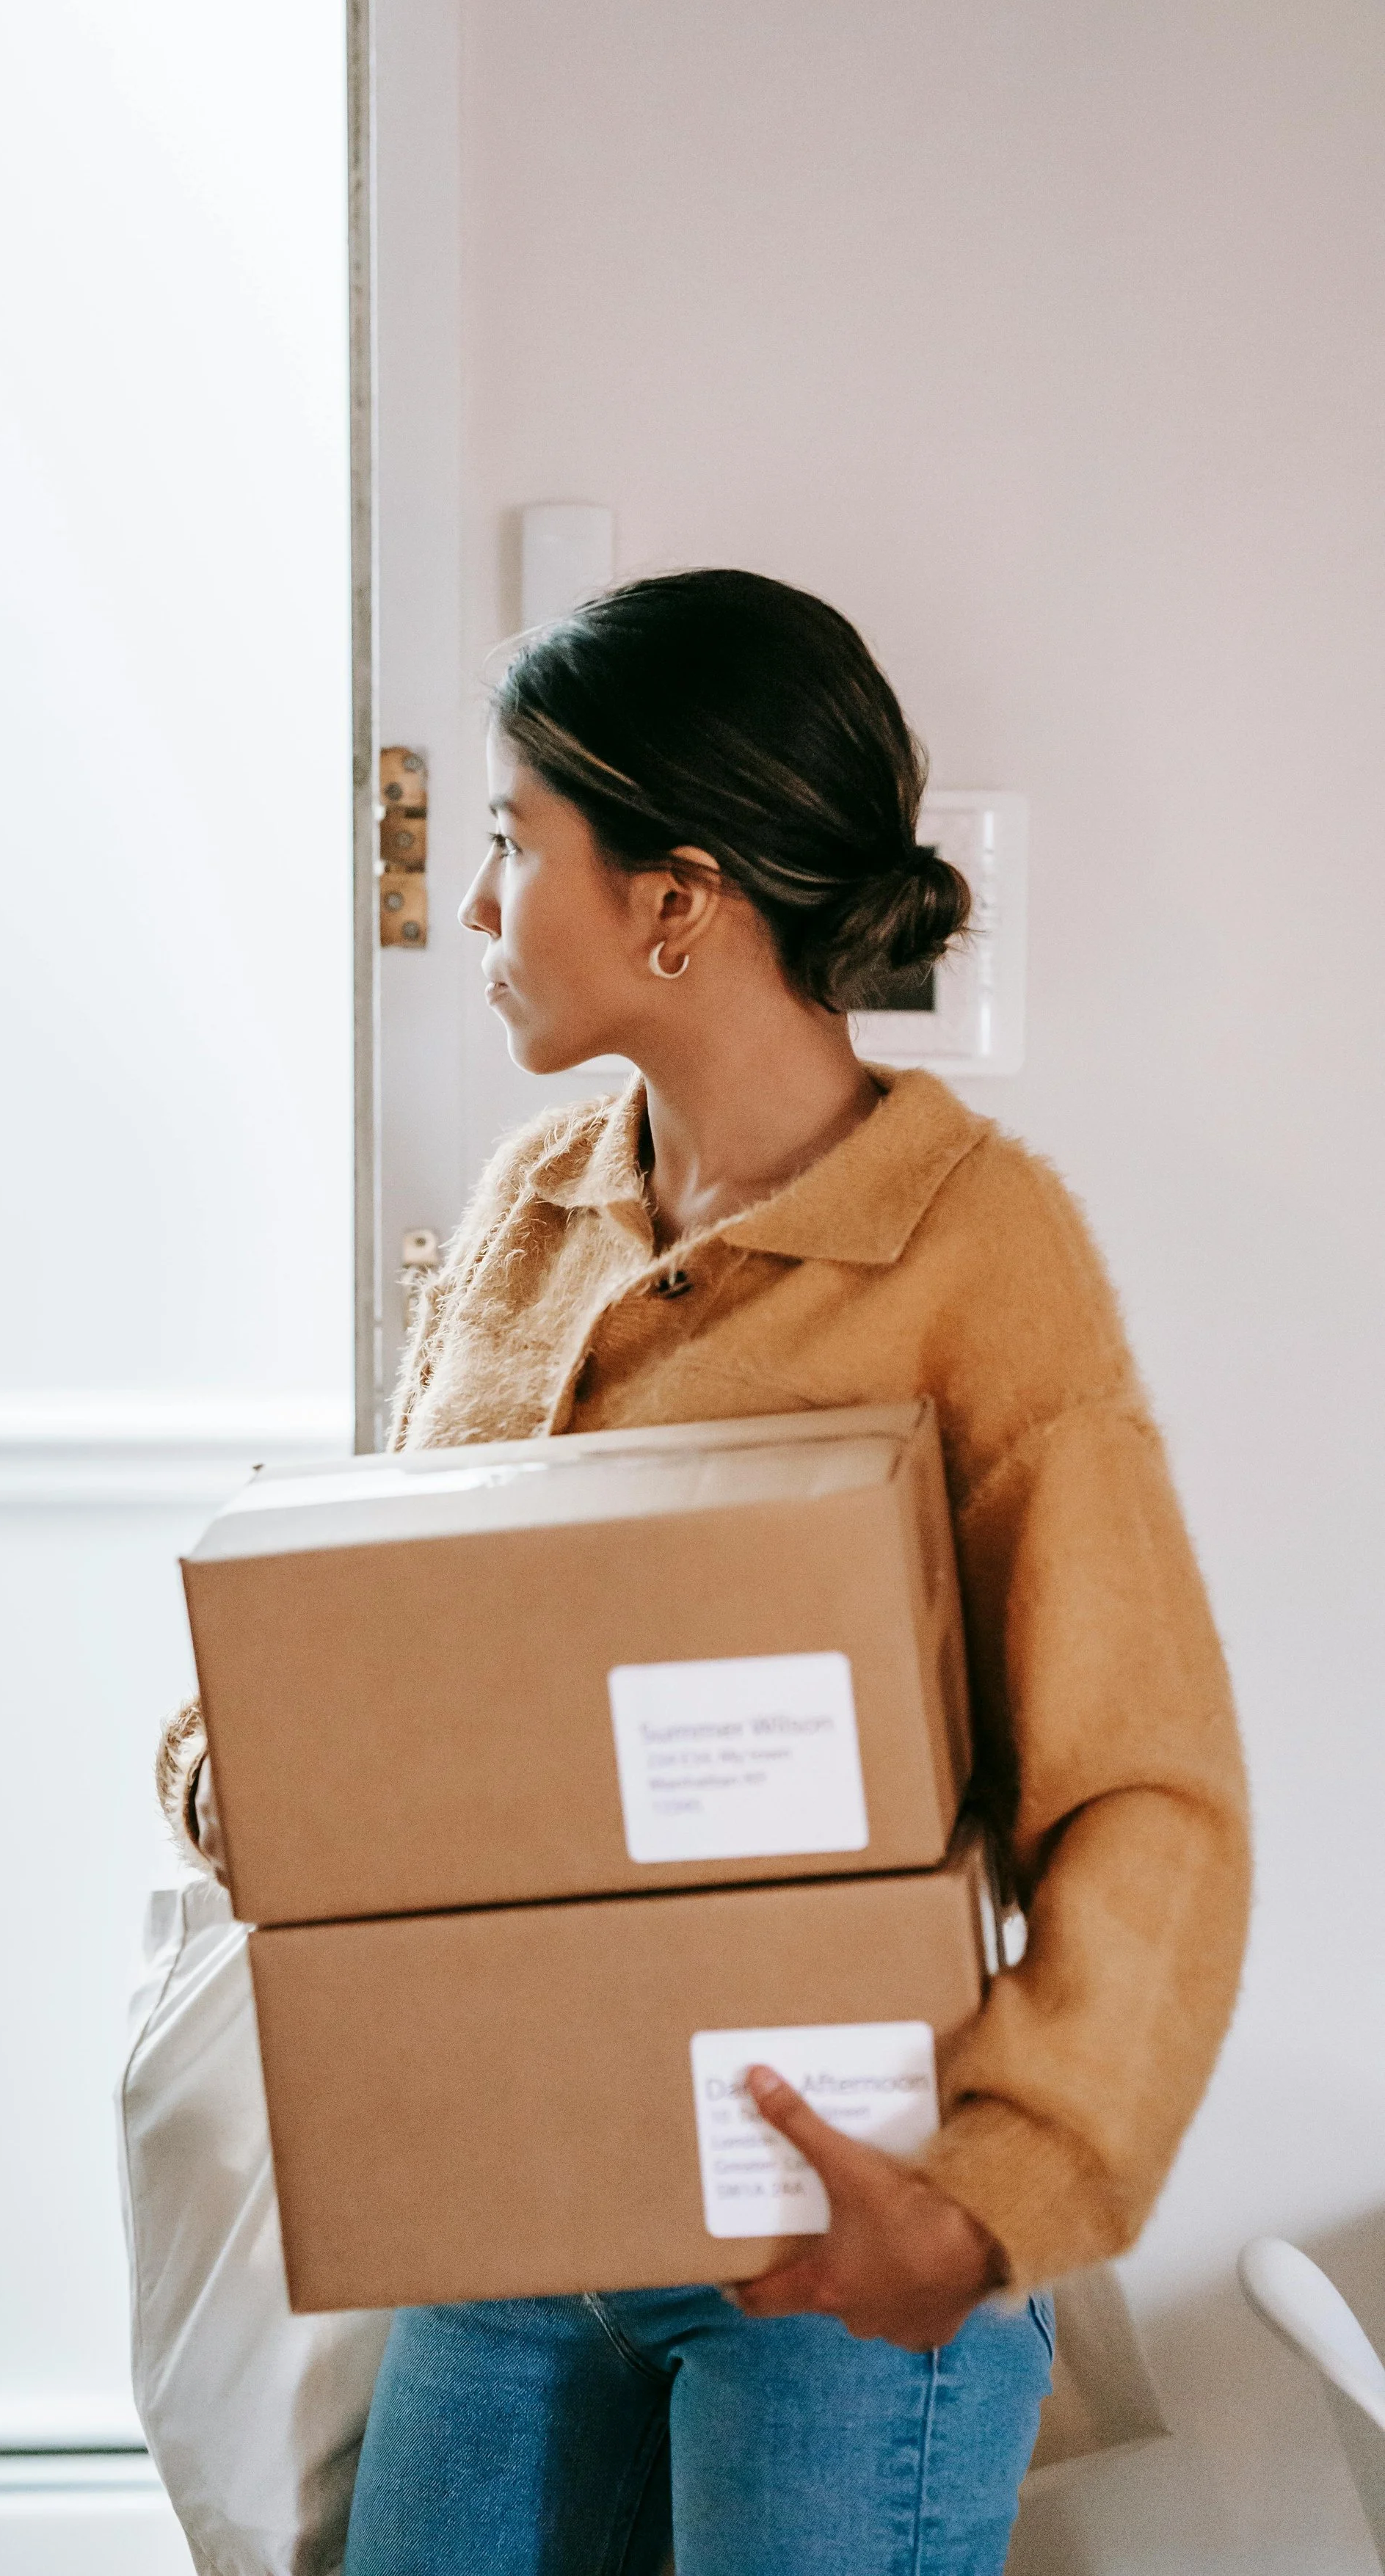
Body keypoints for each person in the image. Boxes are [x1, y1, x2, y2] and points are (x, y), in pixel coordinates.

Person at [160, 570, 1249, 2576]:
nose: (477, 906)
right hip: (507, 2216)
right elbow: (394, 1625)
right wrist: (248, 1774)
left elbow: (1148, 1794)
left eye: (510, 841)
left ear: (672, 899)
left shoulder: (977, 1253)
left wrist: (989, 2195)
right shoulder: (528, 1205)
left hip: (829, 2238)